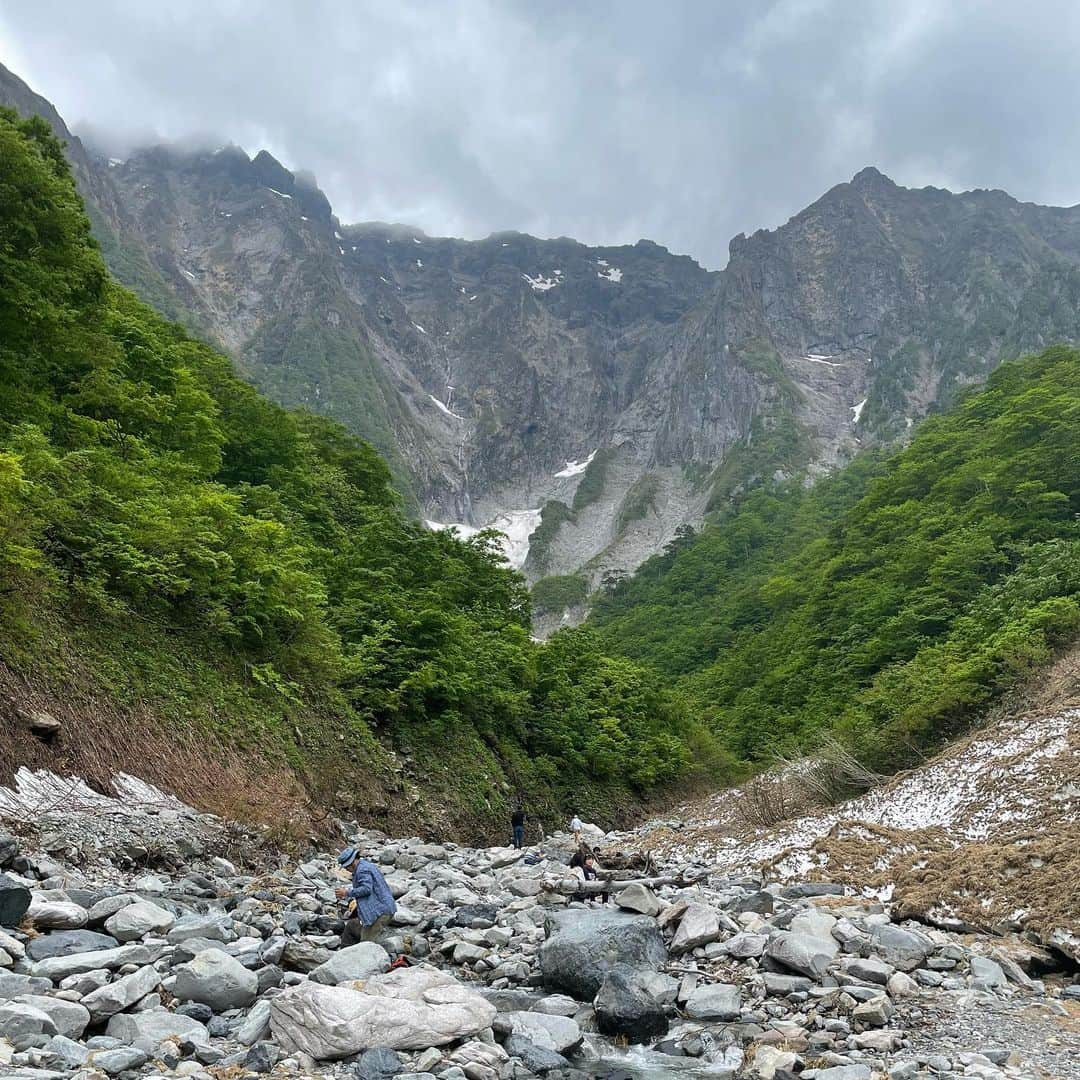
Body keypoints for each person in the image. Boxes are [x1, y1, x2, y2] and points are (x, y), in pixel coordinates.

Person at [334, 845, 397, 946]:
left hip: (380, 912)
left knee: (366, 945)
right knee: (351, 926)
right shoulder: (366, 865)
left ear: (353, 862)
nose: (346, 869)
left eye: (346, 866)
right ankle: (346, 953)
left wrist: (346, 892)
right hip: (381, 908)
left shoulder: (362, 870)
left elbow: (366, 889)